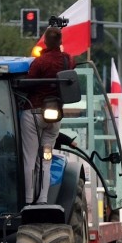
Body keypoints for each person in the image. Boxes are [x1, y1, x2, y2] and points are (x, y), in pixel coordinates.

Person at [22, 25, 76, 205]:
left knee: (30, 158)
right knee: (46, 158)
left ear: (45, 41)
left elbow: (28, 84)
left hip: (34, 114)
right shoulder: (68, 60)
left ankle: (28, 198)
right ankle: (43, 199)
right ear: (61, 42)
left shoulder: (40, 62)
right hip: (55, 119)